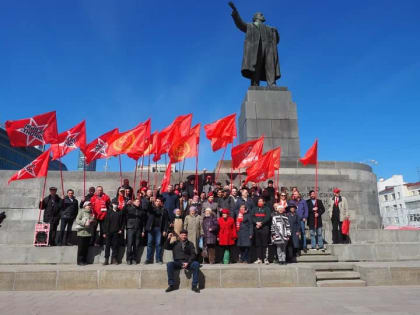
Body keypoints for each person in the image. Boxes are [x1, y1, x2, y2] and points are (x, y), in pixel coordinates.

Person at [145, 197, 168, 264]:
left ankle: (159, 259)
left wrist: (165, 230)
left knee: (159, 244)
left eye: (159, 201)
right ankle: (148, 259)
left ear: (161, 202)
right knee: (149, 244)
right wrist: (150, 201)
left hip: (159, 229)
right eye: (156, 201)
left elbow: (166, 221)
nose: (158, 202)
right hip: (151, 228)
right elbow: (148, 208)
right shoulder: (152, 209)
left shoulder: (164, 210)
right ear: (155, 202)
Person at [124, 198, 146, 265]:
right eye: (137, 201)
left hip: (138, 229)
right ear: (133, 202)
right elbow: (123, 212)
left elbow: (143, 222)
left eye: (139, 202)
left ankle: (134, 259)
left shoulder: (141, 211)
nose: (138, 203)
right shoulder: (129, 208)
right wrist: (126, 204)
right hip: (130, 228)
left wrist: (143, 231)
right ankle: (128, 259)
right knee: (129, 244)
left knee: (136, 245)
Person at [102, 200, 124, 265]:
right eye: (114, 204)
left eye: (116, 204)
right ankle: (106, 259)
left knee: (115, 246)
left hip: (116, 232)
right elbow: (105, 223)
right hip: (108, 232)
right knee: (107, 246)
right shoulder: (108, 212)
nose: (115, 205)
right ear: (112, 204)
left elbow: (123, 222)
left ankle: (114, 259)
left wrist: (121, 229)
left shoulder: (120, 212)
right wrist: (104, 232)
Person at [75, 201, 95, 266]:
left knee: (86, 248)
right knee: (81, 248)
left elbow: (92, 222)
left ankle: (84, 260)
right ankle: (79, 261)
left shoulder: (91, 213)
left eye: (90, 205)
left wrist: (93, 220)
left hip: (88, 233)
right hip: (81, 233)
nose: (89, 206)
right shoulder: (81, 212)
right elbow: (77, 220)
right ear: (85, 206)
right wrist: (84, 223)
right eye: (88, 205)